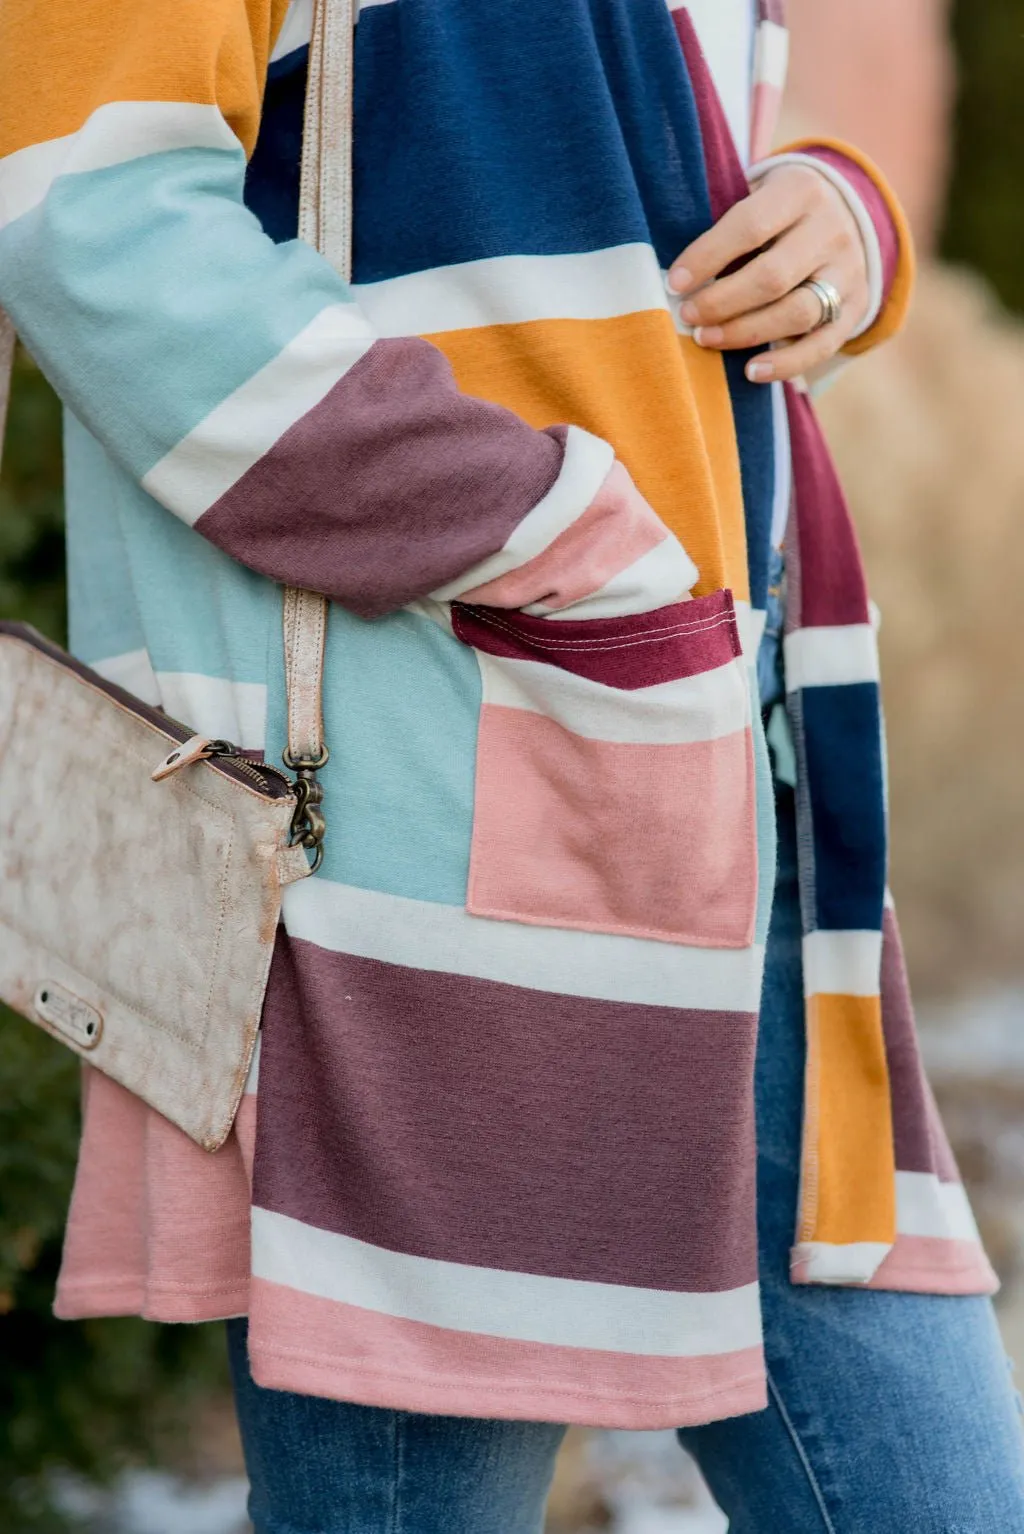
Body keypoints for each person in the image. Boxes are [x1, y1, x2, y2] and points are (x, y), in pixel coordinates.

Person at [2, 0, 1023, 1528]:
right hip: (427, 799)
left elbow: (640, 154)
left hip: (736, 765)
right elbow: (84, 216)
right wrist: (557, 539)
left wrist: (837, 215)